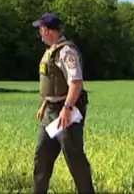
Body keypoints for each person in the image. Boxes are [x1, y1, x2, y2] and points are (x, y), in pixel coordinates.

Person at [31, 13, 95, 194]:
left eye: (41, 29)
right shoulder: (50, 50)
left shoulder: (67, 52)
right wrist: (44, 105)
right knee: (41, 158)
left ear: (47, 30)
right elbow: (51, 82)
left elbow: (76, 82)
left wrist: (67, 109)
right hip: (50, 113)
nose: (40, 33)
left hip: (66, 112)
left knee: (74, 159)